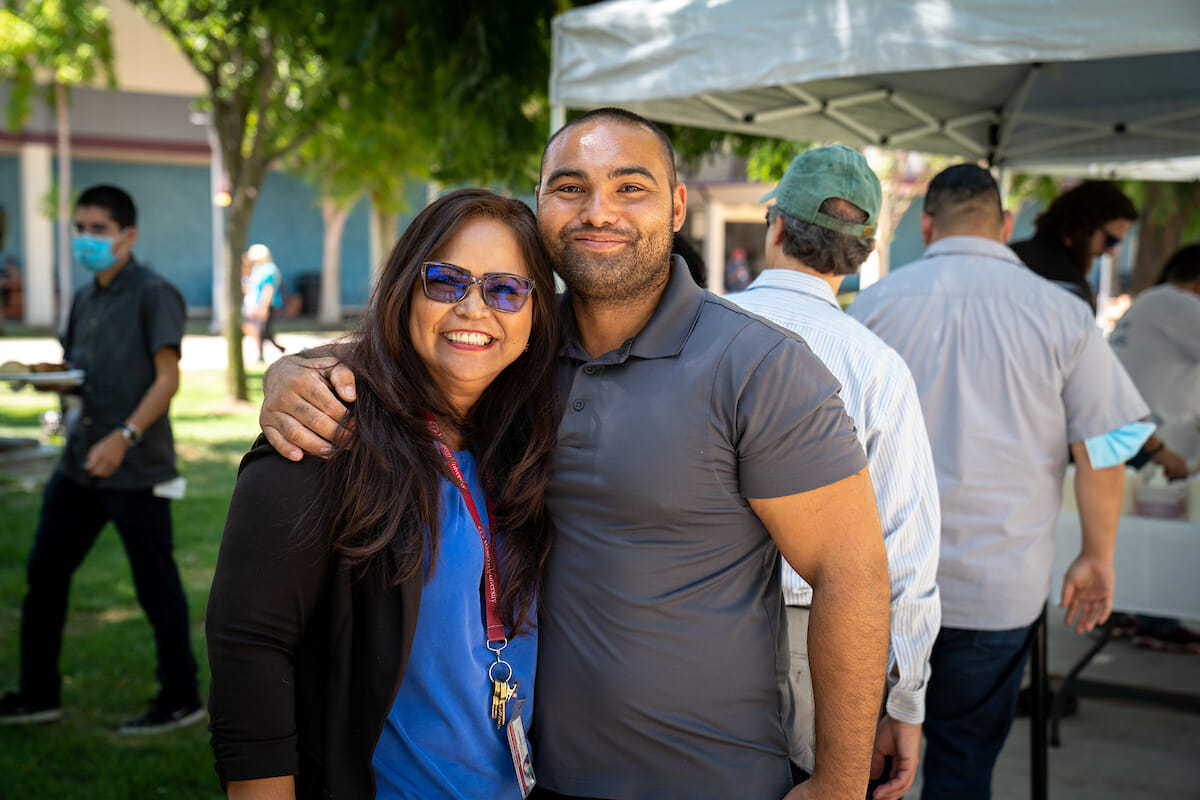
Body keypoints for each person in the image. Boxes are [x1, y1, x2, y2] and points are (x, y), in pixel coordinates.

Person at [259, 108, 891, 800]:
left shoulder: (760, 367)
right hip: (528, 778)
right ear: (540, 206)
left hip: (709, 778)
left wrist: (837, 782)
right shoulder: (515, 348)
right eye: (569, 188)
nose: (598, 212)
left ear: (677, 207)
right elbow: (412, 348)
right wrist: (297, 370)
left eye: (630, 188)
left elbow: (851, 572)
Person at [207, 189, 561, 798]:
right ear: (404, 289)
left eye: (506, 290)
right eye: (446, 281)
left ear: (535, 317)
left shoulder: (527, 439)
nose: (475, 308)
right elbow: (251, 652)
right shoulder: (325, 435)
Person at [848, 164, 1149, 799]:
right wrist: (1097, 555)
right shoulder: (1063, 314)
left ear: (927, 225)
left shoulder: (873, 306)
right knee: (964, 765)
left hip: (884, 581)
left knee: (864, 766)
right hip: (999, 584)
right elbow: (1104, 445)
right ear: (1006, 226)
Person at [725, 145, 941, 800]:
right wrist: (906, 701)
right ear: (862, 254)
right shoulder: (878, 368)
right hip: (831, 636)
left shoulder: (699, 331)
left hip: (696, 619)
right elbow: (905, 550)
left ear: (777, 226)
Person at [0, 184, 202, 733]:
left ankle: (181, 696)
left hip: (135, 468)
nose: (85, 239)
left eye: (98, 229)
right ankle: (38, 693)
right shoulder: (85, 297)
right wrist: (46, 380)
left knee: (155, 585)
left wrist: (124, 437)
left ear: (127, 235)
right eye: (79, 228)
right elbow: (79, 374)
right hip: (78, 467)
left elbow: (167, 379)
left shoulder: (154, 293)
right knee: (45, 574)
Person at [1107, 243, 1200, 653]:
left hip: (1131, 433)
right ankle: (1153, 619)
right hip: (1151, 439)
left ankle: (1125, 611)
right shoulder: (1174, 302)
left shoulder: (1149, 303)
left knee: (1131, 528)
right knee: (1159, 529)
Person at [1009, 181, 1138, 311]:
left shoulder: (1011, 253)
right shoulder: (1070, 285)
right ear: (1086, 225)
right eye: (1110, 240)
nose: (1111, 251)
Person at [242, 243, 285, 363]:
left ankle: (261, 356)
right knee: (262, 330)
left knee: (262, 330)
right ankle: (279, 348)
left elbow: (268, 289)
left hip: (267, 304)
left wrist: (264, 306)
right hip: (255, 304)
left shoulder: (269, 269)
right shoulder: (256, 269)